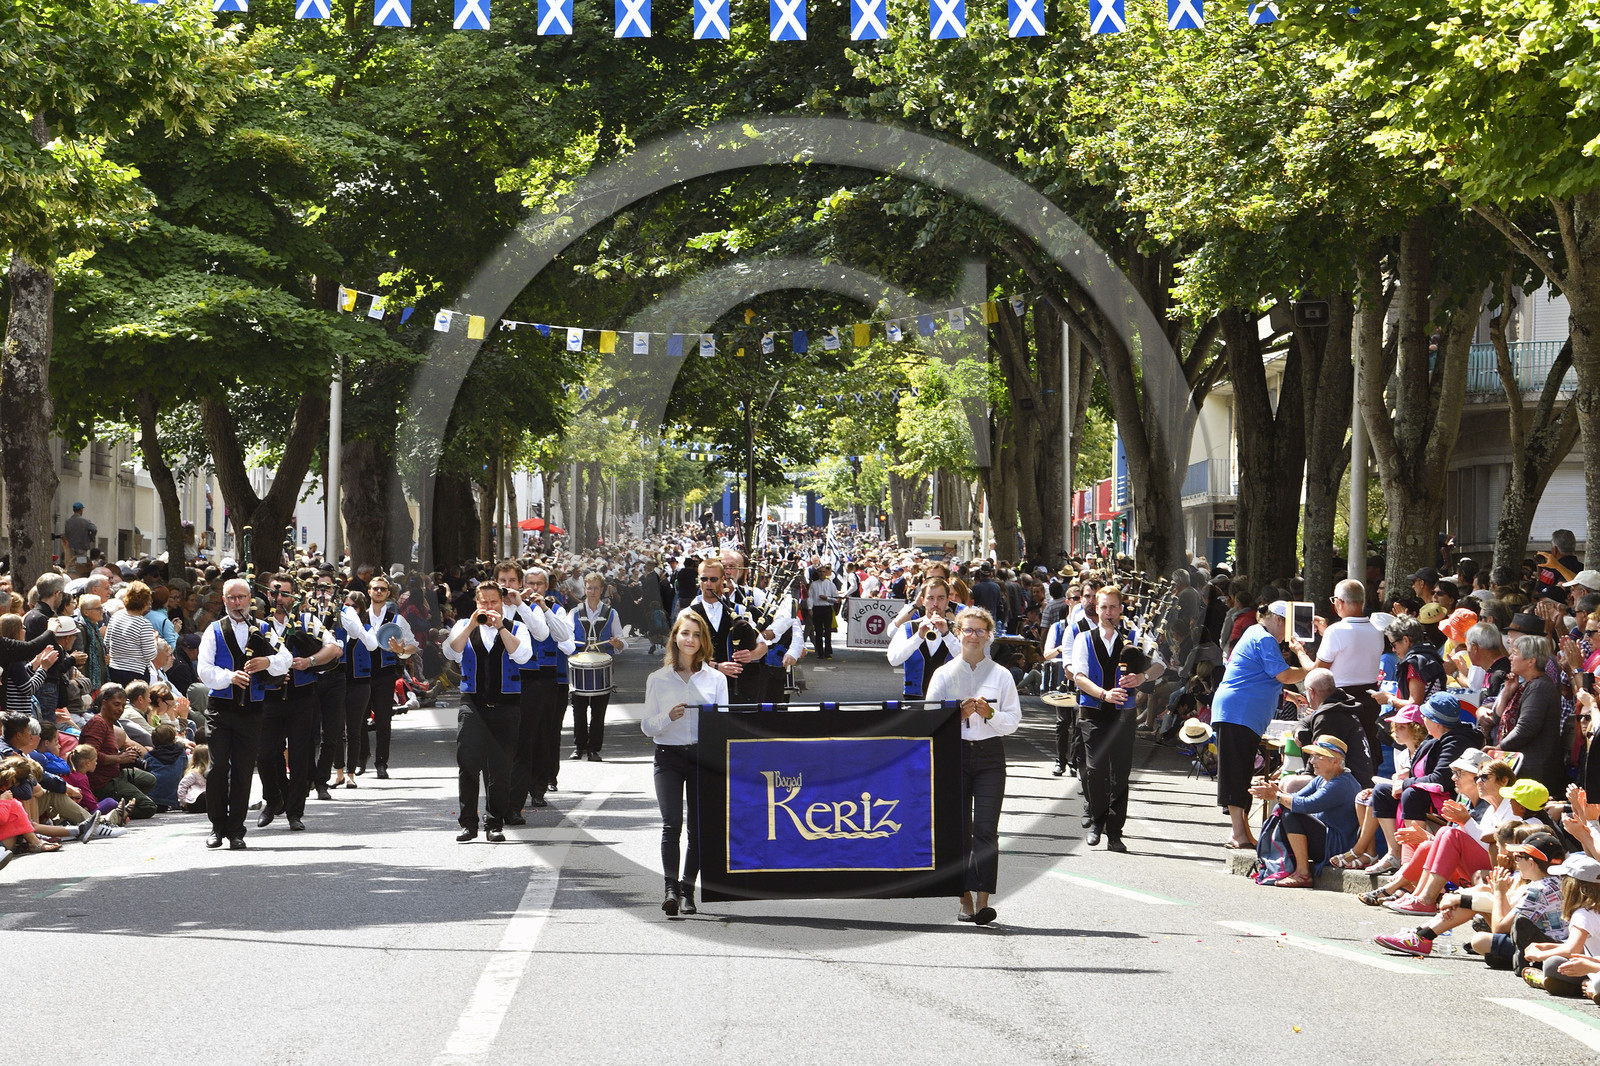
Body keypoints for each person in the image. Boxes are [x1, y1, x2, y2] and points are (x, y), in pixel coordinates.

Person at [924, 607, 1020, 924]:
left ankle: (983, 902)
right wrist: (958, 717)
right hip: (956, 754)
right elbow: (930, 720)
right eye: (968, 630)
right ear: (958, 633)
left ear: (989, 635)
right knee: (959, 832)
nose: (974, 636)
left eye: (980, 631)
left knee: (986, 831)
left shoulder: (1001, 675)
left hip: (991, 755)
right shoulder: (944, 674)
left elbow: (1013, 721)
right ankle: (964, 898)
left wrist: (990, 714)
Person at [640, 610, 728, 917]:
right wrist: (668, 716)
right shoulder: (658, 679)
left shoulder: (716, 679)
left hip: (704, 757)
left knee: (699, 829)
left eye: (695, 634)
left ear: (703, 640)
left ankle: (689, 890)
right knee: (671, 824)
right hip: (668, 757)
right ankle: (670, 890)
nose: (690, 640)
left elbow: (724, 723)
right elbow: (647, 726)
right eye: (684, 633)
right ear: (675, 637)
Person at [1210, 601, 1314, 849]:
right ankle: (1237, 834)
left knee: (1243, 772)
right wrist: (1313, 669)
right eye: (1288, 626)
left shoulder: (1254, 633)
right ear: (1278, 620)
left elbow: (1256, 674)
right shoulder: (1264, 638)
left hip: (1238, 713)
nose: (1289, 635)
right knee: (1237, 773)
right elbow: (1284, 675)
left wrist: (1287, 695)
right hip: (1238, 713)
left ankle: (1243, 833)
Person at [197, 578, 289, 849]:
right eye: (231, 598)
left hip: (252, 709)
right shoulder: (213, 631)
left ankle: (236, 829)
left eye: (242, 597)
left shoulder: (264, 628)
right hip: (221, 709)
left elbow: (284, 658)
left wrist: (267, 661)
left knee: (243, 769)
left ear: (250, 599)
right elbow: (204, 669)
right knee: (217, 767)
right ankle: (216, 825)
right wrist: (229, 677)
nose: (237, 603)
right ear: (224, 601)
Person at [1070, 585, 1160, 850]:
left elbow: (1161, 665)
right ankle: (1097, 822)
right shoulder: (1083, 639)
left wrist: (1142, 677)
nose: (1108, 612)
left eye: (1113, 607)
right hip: (1094, 712)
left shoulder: (1135, 635)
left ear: (1121, 609)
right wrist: (1103, 694)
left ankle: (1115, 832)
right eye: (1104, 607)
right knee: (1096, 770)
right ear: (1096, 610)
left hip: (1124, 714)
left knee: (1120, 773)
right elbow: (1079, 677)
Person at [443, 582, 533, 843]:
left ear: (502, 603)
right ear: (476, 603)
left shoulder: (517, 628)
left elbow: (523, 656)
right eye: (484, 603)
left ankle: (494, 823)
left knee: (500, 768)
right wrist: (472, 624)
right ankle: (468, 823)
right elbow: (450, 651)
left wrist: (501, 626)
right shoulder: (463, 625)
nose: (489, 607)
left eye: (494, 602)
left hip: (506, 706)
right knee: (468, 763)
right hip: (473, 703)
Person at [257, 573, 342, 832]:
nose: (279, 598)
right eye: (274, 593)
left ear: (294, 597)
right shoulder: (260, 624)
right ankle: (273, 799)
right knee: (265, 754)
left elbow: (335, 648)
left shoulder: (307, 621)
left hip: (303, 697)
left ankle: (295, 812)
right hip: (270, 699)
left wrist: (310, 661)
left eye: (284, 593)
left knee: (300, 756)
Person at [1248, 734, 1361, 888]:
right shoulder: (1322, 779)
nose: (1312, 761)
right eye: (1312, 756)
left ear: (1335, 761)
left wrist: (1278, 796)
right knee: (1286, 809)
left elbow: (1307, 805)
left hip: (1336, 846)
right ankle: (1290, 866)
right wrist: (1277, 794)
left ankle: (1303, 873)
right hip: (1324, 838)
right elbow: (1295, 798)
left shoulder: (1342, 783)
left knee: (1291, 814)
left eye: (1318, 757)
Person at [1486, 632, 1568, 797]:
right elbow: (1496, 718)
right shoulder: (1526, 685)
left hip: (1535, 770)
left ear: (1531, 661)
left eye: (1515, 653)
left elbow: (1526, 728)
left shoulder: (1539, 687)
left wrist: (1499, 749)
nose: (1509, 657)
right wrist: (1508, 692)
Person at [1312, 579, 1384, 762]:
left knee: (1337, 759)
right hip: (1369, 701)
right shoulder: (1377, 631)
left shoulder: (1335, 632)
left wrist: (1299, 651)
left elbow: (1316, 671)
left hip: (1340, 704)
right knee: (1366, 758)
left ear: (1339, 602)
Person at [559, 572, 625, 762]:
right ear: (585, 589)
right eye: (589, 588)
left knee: (598, 710)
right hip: (579, 665)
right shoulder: (574, 612)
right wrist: (571, 645)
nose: (592, 592)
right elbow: (565, 636)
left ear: (602, 590)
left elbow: (621, 640)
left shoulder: (612, 613)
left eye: (596, 588)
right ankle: (579, 747)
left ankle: (594, 749)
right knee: (578, 709)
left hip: (602, 665)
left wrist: (617, 644)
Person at [79, 685, 158, 820]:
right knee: (148, 807)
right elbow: (90, 755)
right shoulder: (97, 723)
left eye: (122, 706)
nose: (120, 709)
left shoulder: (109, 724)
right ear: (104, 703)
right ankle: (111, 809)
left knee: (149, 780)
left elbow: (108, 751)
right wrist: (120, 758)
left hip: (116, 773)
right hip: (103, 782)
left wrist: (127, 754)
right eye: (116, 704)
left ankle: (121, 800)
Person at [886, 578, 961, 698]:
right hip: (914, 699)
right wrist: (918, 637)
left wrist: (947, 635)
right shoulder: (908, 627)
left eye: (941, 598)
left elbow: (968, 661)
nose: (935, 604)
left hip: (948, 700)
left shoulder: (958, 629)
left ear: (947, 601)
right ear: (923, 601)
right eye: (930, 598)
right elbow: (893, 660)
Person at [105, 581, 159, 687]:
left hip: (114, 670)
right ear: (145, 602)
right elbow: (150, 655)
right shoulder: (144, 624)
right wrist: (155, 640)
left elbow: (106, 642)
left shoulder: (116, 616)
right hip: (136, 673)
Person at [807, 565, 839, 659]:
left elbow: (836, 599)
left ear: (826, 573)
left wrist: (827, 598)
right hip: (817, 609)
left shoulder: (831, 585)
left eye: (824, 572)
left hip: (827, 608)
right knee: (818, 631)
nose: (822, 573)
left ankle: (828, 652)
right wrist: (810, 608)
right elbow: (810, 597)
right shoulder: (814, 584)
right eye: (820, 572)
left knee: (828, 631)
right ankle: (820, 652)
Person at [61, 502, 97, 576]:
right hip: (82, 548)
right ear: (81, 510)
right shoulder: (85, 521)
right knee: (82, 563)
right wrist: (91, 538)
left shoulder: (68, 522)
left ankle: (70, 575)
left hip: (71, 547)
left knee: (71, 564)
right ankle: (81, 575)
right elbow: (94, 529)